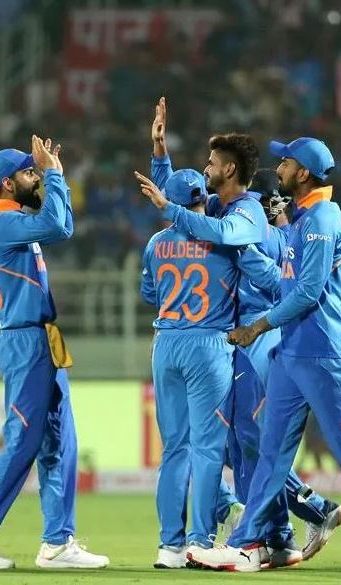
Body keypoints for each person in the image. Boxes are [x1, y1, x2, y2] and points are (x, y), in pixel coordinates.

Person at [188, 137, 341, 574]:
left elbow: (309, 292)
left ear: (305, 173)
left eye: (286, 162)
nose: (278, 168)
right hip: (292, 352)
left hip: (321, 352)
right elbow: (299, 284)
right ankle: (247, 543)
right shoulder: (304, 218)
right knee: (271, 451)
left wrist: (258, 326)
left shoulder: (323, 219)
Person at [147, 98, 341, 565]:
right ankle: (281, 533)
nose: (205, 168)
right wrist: (160, 156)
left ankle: (300, 514)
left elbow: (212, 232)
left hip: (253, 337)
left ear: (230, 169)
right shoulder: (221, 207)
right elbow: (183, 202)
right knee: (241, 443)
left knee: (246, 441)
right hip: (232, 337)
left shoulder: (246, 216)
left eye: (211, 161)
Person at [0, 136, 108, 570]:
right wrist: (54, 173)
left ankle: (57, 542)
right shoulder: (0, 223)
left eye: (35, 171)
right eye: (28, 172)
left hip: (43, 339)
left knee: (60, 442)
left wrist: (54, 175)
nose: (34, 177)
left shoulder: (15, 219)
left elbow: (61, 225)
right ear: (7, 183)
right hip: (25, 342)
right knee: (23, 441)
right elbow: (59, 226)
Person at [137, 167, 248, 568]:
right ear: (204, 197)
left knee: (174, 450)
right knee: (207, 449)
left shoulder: (156, 243)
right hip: (208, 344)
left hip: (166, 343)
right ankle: (199, 541)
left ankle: (169, 546)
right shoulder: (223, 241)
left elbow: (149, 292)